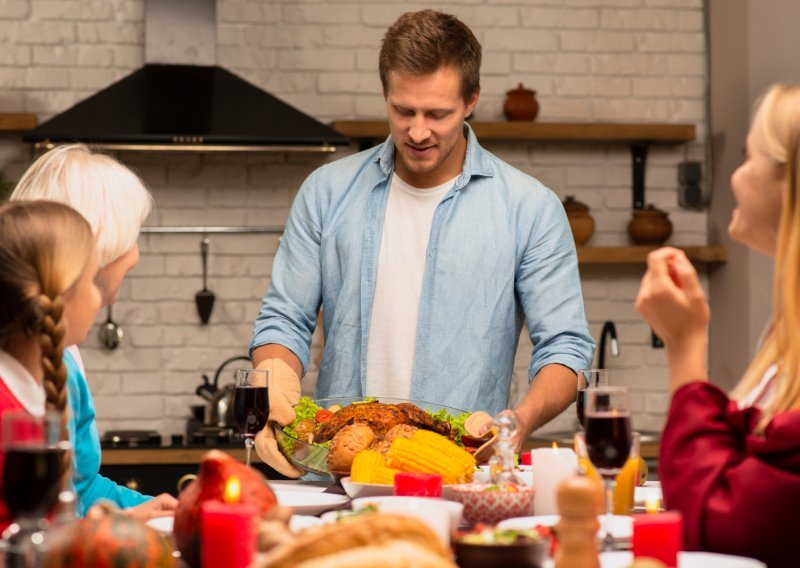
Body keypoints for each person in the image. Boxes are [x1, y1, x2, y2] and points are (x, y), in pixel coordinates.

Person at [250, 9, 594, 477]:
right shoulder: (326, 192)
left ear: (472, 99)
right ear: (386, 95)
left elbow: (565, 347)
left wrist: (516, 424)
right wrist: (273, 377)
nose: (417, 132)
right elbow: (284, 318)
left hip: (460, 474)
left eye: (437, 114)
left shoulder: (530, 208)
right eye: (402, 110)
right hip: (336, 478)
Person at [635, 84, 800, 567]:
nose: (735, 176)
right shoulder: (785, 334)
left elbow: (718, 527)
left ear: (787, 186)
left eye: (749, 158)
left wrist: (685, 346)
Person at [11, 145, 177, 520]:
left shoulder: (64, 351)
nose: (135, 253)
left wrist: (145, 510)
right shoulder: (23, 373)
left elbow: (80, 488)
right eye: (132, 235)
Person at [0, 200, 101, 530]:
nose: (99, 297)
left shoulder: (27, 392)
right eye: (93, 281)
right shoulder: (6, 410)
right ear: (62, 296)